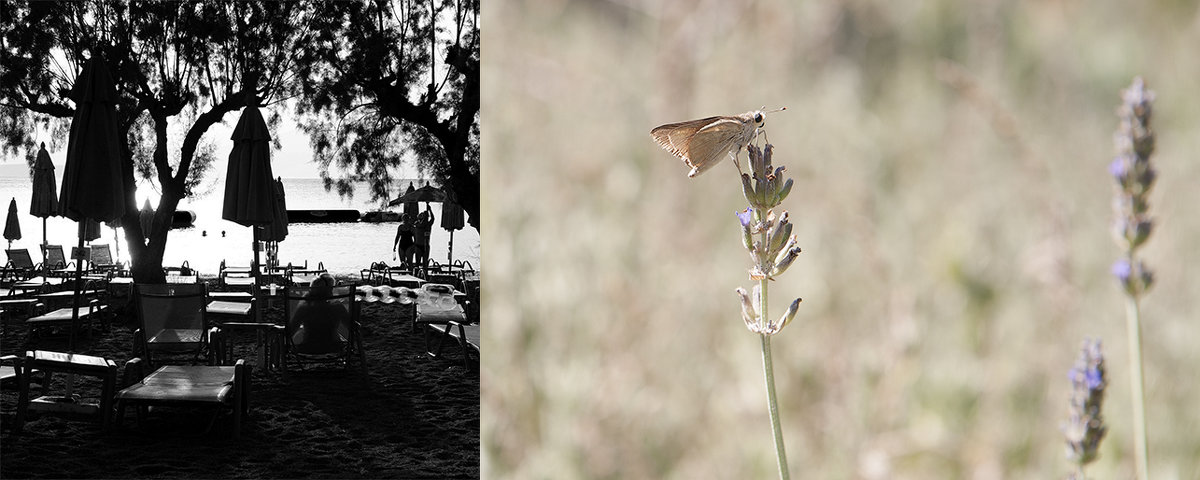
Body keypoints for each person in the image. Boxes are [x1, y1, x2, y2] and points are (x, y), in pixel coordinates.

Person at [288, 274, 350, 354]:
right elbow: (351, 326)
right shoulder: (337, 306)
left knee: (300, 331)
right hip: (334, 347)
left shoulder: (304, 307)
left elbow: (291, 331)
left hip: (307, 348)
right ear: (330, 290)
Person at [414, 204, 436, 270]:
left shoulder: (428, 225)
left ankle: (425, 274)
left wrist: (430, 210)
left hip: (426, 245)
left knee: (425, 263)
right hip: (418, 245)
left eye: (423, 216)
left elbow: (433, 219)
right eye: (421, 215)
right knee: (417, 263)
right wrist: (425, 216)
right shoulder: (417, 223)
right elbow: (421, 225)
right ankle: (417, 274)